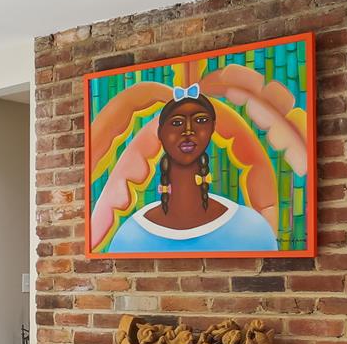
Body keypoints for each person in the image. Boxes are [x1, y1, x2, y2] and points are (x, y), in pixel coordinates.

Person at [102, 88, 279, 253]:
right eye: (177, 122)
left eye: (200, 120)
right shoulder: (129, 237)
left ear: (212, 128)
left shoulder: (252, 229)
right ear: (161, 133)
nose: (188, 130)